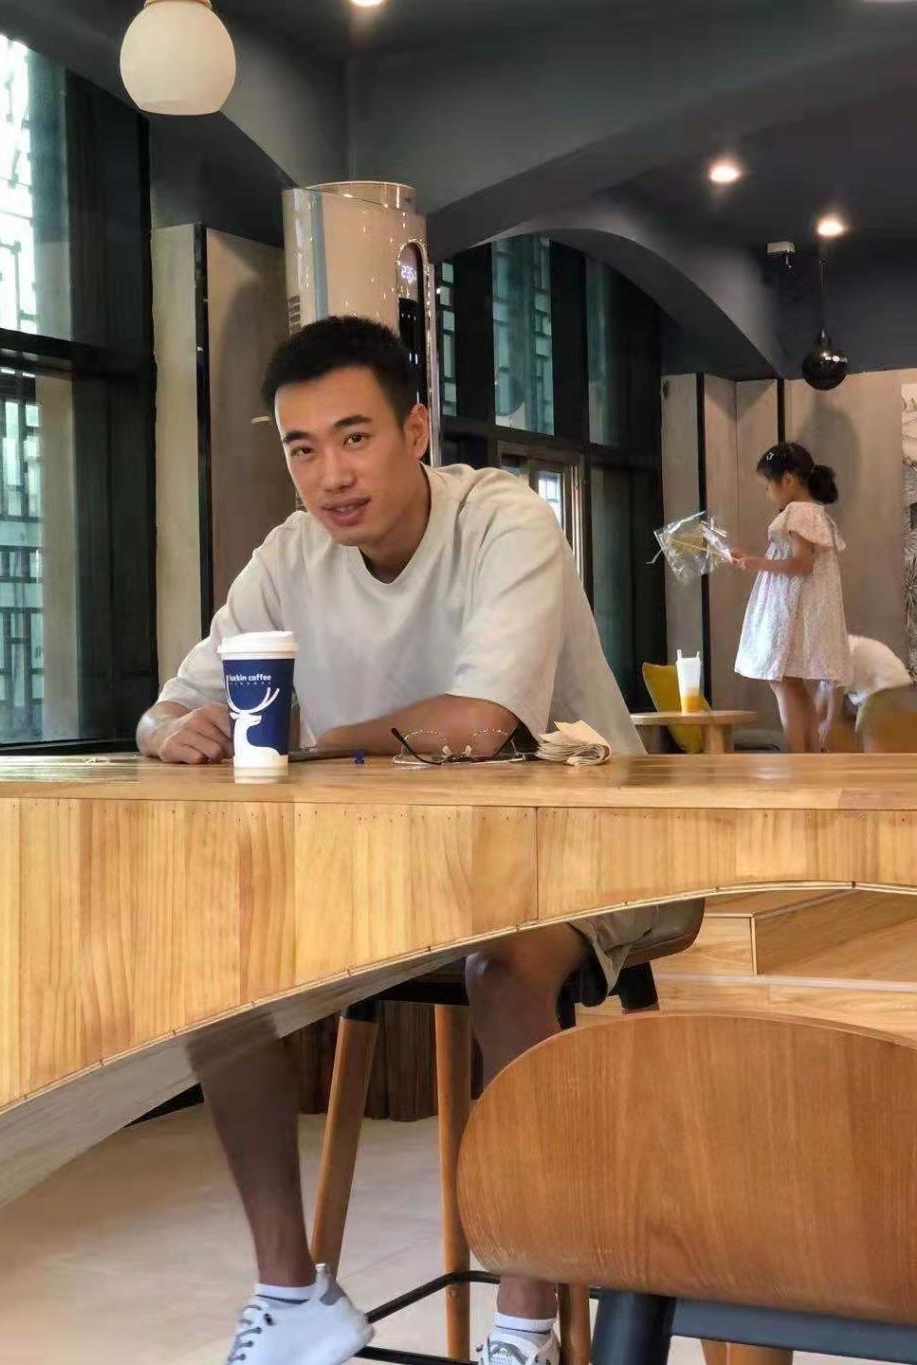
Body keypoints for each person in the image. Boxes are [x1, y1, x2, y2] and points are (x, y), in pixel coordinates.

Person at [137, 315, 663, 1365]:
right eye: (302, 448)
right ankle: (290, 1294)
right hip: (402, 876)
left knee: (502, 960)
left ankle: (524, 1321)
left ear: (415, 430)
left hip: (594, 852)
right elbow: (169, 705)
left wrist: (318, 743)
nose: (330, 474)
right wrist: (171, 732)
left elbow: (482, 724)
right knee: (215, 970)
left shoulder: (505, 521)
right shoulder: (289, 556)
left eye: (355, 437)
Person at [732, 441, 849, 754]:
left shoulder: (798, 512)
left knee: (783, 681)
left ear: (787, 480)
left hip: (794, 609)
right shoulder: (812, 512)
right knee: (790, 683)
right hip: (803, 606)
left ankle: (799, 757)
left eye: (767, 487)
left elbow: (802, 563)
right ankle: (808, 756)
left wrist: (757, 563)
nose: (767, 495)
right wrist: (755, 560)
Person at [817, 634, 913, 750]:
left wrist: (829, 723)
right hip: (886, 681)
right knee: (867, 731)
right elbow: (822, 699)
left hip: (885, 681)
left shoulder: (830, 649)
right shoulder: (825, 656)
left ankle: (874, 759)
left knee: (866, 728)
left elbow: (835, 686)